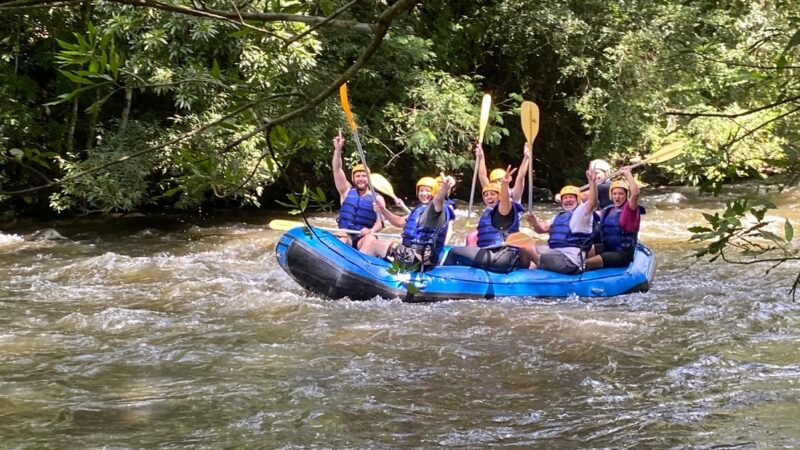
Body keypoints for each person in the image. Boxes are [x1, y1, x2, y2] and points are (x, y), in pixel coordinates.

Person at [360, 175, 456, 268]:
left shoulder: (436, 211)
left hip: (419, 259)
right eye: (421, 190)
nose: (424, 193)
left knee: (372, 244)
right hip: (409, 253)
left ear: (434, 192)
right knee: (369, 238)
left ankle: (358, 272)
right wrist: (383, 210)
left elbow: (438, 200)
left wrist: (445, 187)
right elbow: (399, 222)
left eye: (428, 191)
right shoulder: (419, 208)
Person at [517, 168, 598, 274]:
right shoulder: (559, 216)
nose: (568, 200)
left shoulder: (582, 213)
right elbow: (541, 229)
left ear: (578, 200)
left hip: (570, 261)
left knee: (528, 249)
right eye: (565, 198)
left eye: (571, 197)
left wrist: (592, 182)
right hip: (555, 253)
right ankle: (523, 273)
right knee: (522, 245)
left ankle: (536, 265)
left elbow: (592, 202)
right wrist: (534, 222)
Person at [441, 171, 525, 272]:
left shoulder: (504, 210)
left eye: (493, 194)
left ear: (500, 196)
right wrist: (480, 155)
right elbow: (481, 175)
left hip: (501, 256)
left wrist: (504, 186)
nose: (489, 197)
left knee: (453, 252)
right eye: (485, 195)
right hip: (495, 254)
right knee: (464, 255)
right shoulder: (488, 211)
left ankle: (444, 281)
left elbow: (505, 201)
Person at [331, 130, 385, 249]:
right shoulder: (345, 191)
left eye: (364, 176)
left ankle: (361, 262)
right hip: (346, 235)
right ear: (353, 178)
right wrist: (338, 149)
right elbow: (337, 169)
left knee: (369, 240)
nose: (361, 179)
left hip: (363, 237)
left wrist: (371, 231)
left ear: (369, 178)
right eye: (358, 176)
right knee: (341, 235)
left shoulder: (377, 198)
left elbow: (380, 223)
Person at [584, 166, 645, 269]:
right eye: (614, 194)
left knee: (585, 263)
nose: (617, 197)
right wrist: (592, 181)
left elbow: (635, 193)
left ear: (626, 195)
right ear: (611, 195)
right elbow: (592, 203)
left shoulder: (630, 209)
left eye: (621, 194)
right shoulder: (608, 210)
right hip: (607, 247)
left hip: (622, 253)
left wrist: (627, 174)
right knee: (578, 255)